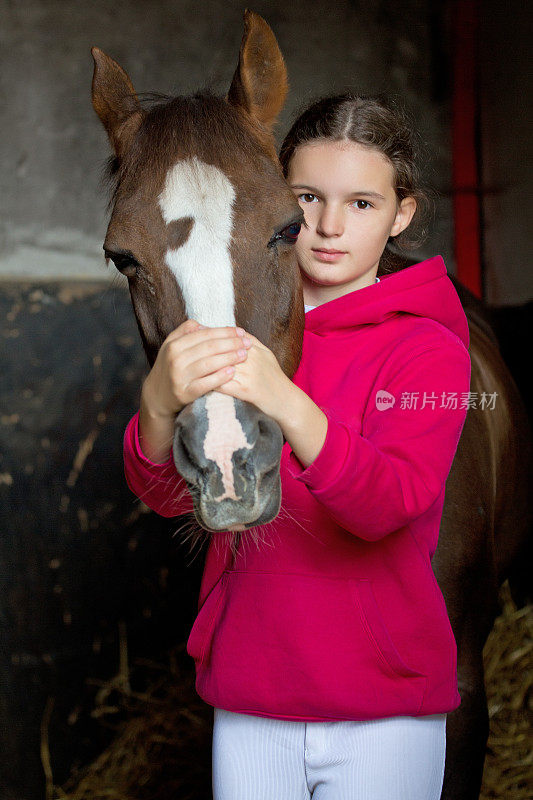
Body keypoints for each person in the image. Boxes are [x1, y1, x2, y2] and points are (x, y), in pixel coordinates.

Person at [122, 93, 471, 799]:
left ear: (402, 214)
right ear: (276, 197)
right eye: (307, 197)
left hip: (383, 706)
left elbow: (389, 503)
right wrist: (158, 401)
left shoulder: (427, 349)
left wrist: (283, 399)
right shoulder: (237, 325)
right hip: (251, 690)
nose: (329, 226)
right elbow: (167, 495)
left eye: (363, 204)